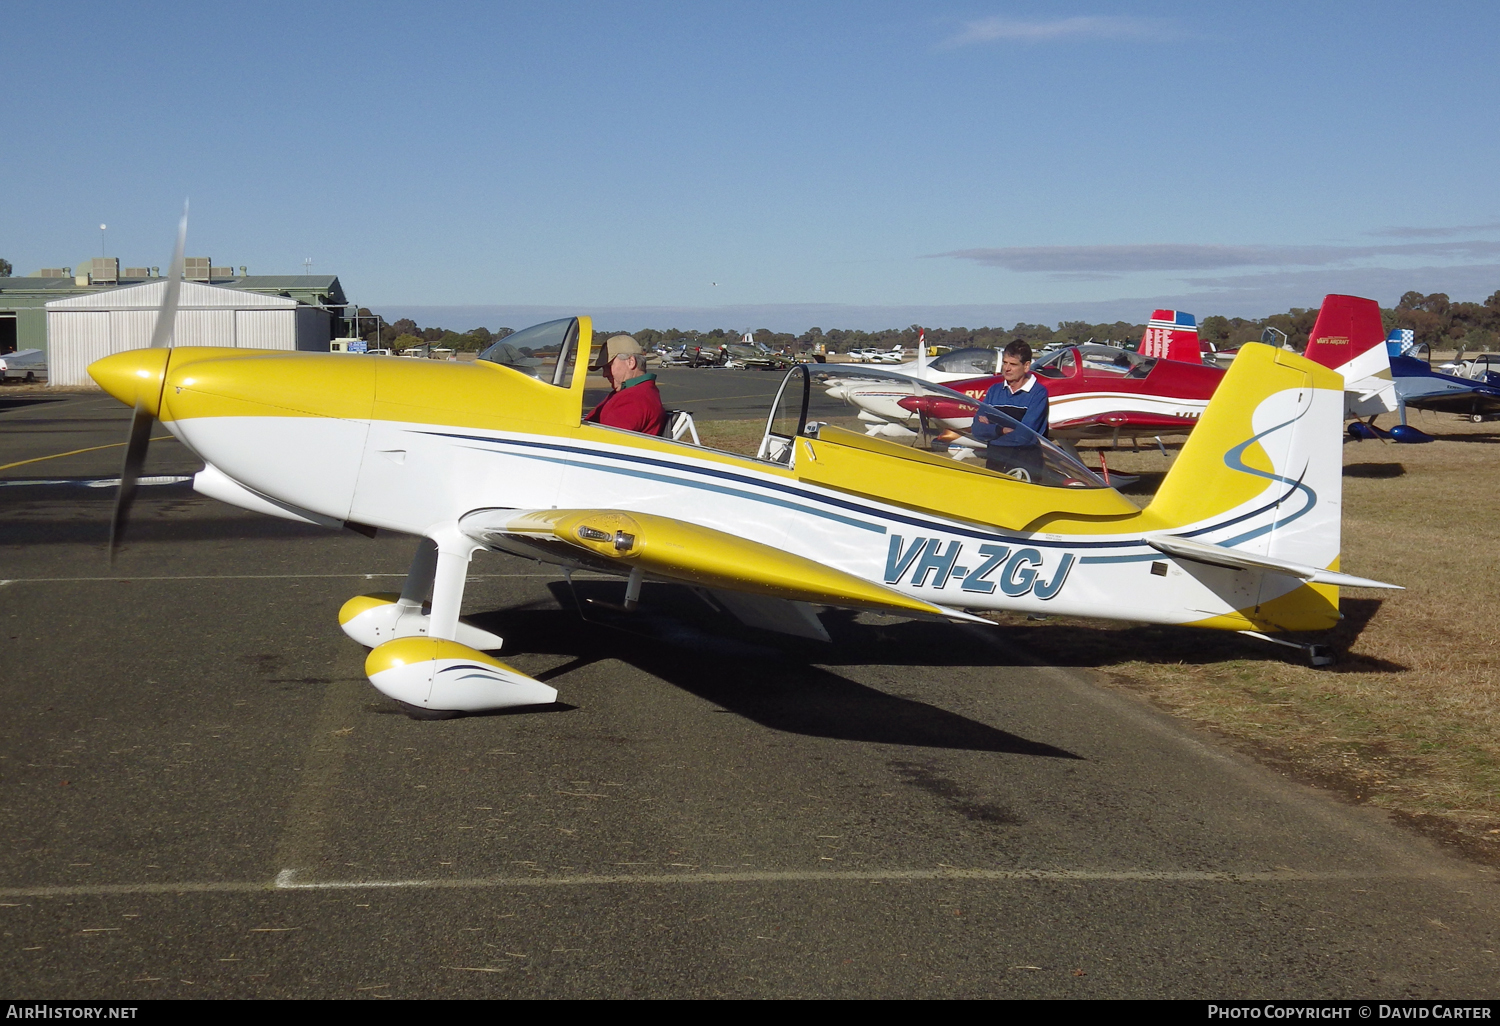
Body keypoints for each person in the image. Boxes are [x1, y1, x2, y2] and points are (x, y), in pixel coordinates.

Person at [972, 339, 1049, 480]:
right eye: (1005, 363)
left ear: (1026, 366)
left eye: (1013, 364)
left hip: (1026, 470)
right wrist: (1000, 430)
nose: (1006, 368)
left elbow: (1024, 436)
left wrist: (991, 431)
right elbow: (977, 430)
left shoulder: (1038, 393)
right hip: (995, 467)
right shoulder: (994, 391)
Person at [585, 334, 667, 435]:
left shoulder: (634, 399)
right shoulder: (633, 391)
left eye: (608, 366)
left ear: (631, 362)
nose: (604, 374)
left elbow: (606, 441)